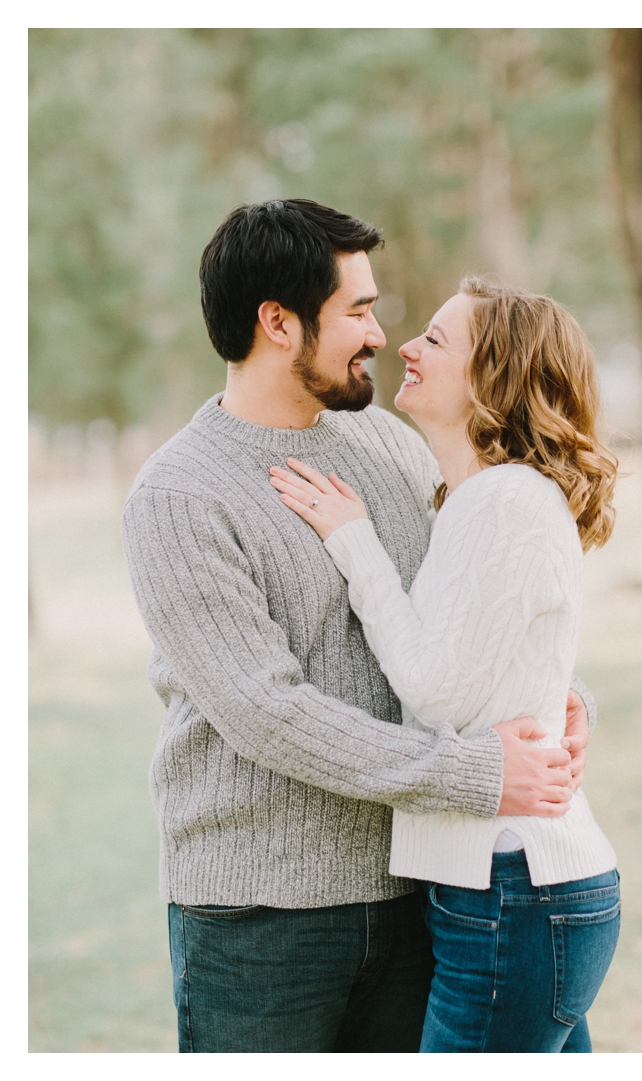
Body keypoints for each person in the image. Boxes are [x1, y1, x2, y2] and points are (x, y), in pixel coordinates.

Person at [120, 199, 595, 1053]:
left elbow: (461, 610)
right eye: (358, 310)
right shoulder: (179, 495)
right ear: (278, 323)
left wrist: (556, 697)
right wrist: (476, 773)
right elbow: (267, 712)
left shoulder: (392, 447)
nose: (381, 333)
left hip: (417, 892)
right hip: (262, 919)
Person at [269, 277, 621, 1052]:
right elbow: (507, 664)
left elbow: (437, 688)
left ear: (492, 375)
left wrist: (354, 543)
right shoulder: (478, 498)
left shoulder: (504, 501)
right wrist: (573, 698)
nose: (406, 346)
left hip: (513, 889)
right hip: (510, 890)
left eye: (435, 339)